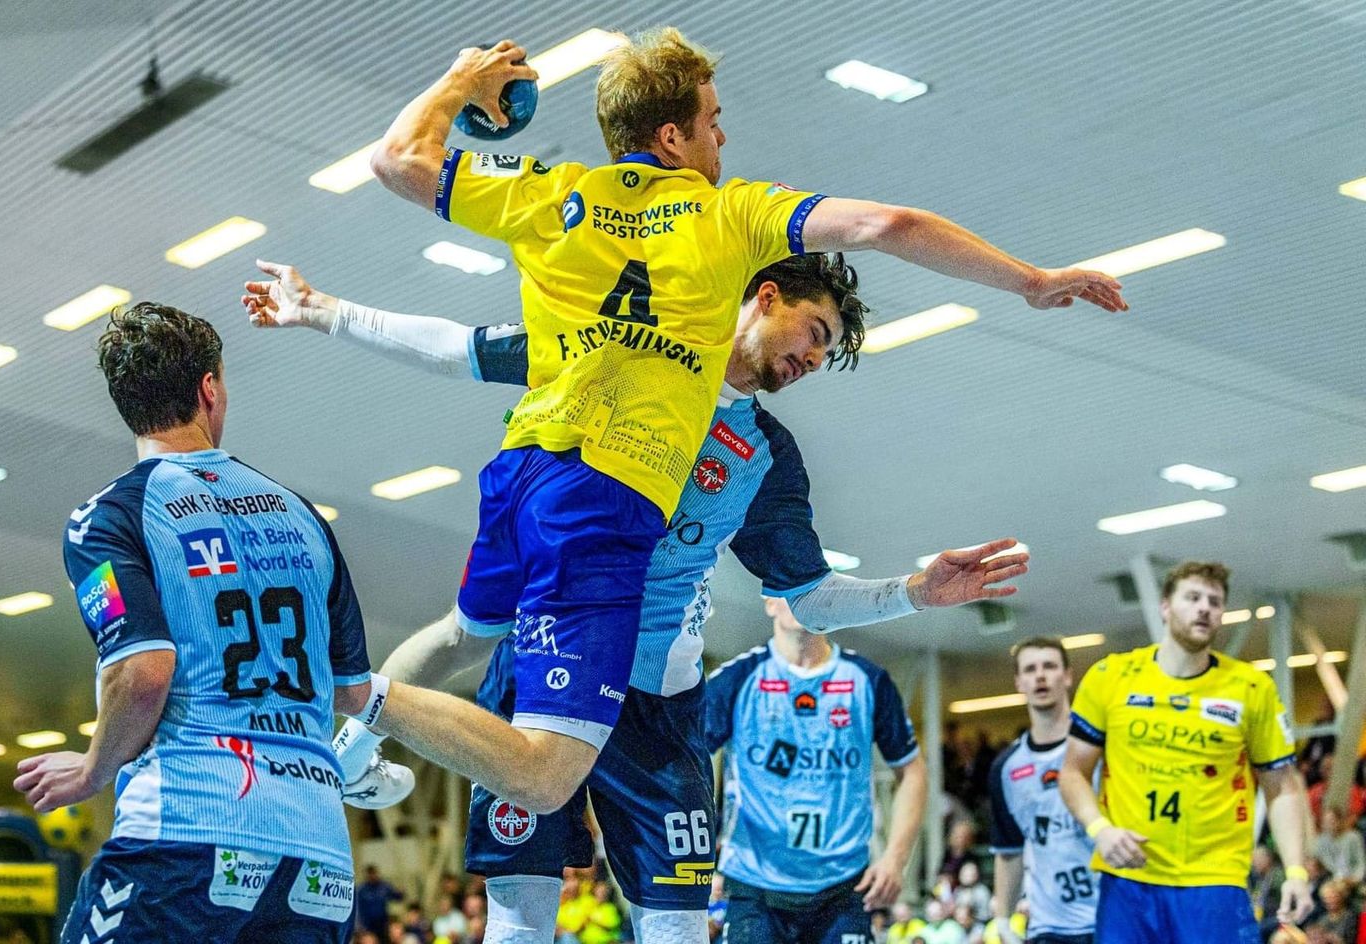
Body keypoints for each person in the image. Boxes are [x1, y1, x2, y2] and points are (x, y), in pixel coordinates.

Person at [348, 21, 1125, 864]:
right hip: (603, 497)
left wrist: (462, 78)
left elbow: (397, 159)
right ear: (672, 136)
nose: (723, 138)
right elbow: (889, 222)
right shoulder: (730, 214)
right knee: (543, 779)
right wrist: (1030, 281)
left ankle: (348, 749)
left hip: (522, 469)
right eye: (713, 122)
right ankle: (340, 694)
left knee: (466, 634)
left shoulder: (551, 191)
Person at [245, 250, 1027, 943]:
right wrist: (324, 310)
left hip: (657, 703)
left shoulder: (766, 457)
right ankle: (347, 751)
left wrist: (915, 592)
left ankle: (353, 732)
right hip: (549, 658)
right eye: (815, 332)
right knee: (518, 916)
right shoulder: (625, 349)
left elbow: (811, 597)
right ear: (765, 297)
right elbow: (467, 349)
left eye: (828, 352)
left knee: (678, 927)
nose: (815, 358)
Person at [12, 303, 396, 943]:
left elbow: (143, 673)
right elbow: (352, 690)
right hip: (320, 860)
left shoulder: (108, 517)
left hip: (187, 835)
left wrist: (91, 771)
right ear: (209, 389)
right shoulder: (302, 516)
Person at [1058, 560, 1314, 942]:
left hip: (1214, 882)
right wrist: (1100, 830)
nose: (1204, 608)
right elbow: (1072, 772)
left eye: (1214, 601)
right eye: (1193, 598)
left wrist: (1295, 871)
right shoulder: (1111, 677)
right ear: (1165, 606)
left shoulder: (1251, 688)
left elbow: (1283, 786)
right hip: (1130, 880)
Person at [704, 597, 928, 944]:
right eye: (788, 589)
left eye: (811, 589)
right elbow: (684, 763)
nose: (800, 598)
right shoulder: (737, 679)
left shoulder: (867, 680)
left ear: (829, 601)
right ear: (769, 602)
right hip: (755, 886)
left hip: (844, 885)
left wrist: (895, 860)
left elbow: (912, 771)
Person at [987, 637, 1096, 944]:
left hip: (1112, 916)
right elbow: (1009, 851)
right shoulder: (1006, 768)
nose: (1040, 676)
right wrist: (1003, 921)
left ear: (1067, 676)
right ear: (1019, 683)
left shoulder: (1100, 746)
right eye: (1030, 669)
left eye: (1049, 666)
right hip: (1049, 927)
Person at [1311, 807, 1366, 884]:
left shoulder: (1353, 838)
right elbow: (1313, 858)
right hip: (1331, 880)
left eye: (1332, 821)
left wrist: (1355, 880)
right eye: (1326, 821)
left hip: (1352, 880)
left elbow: (1361, 864)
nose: (1329, 825)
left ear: (1340, 821)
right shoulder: (1321, 841)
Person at [358, 867, 405, 942]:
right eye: (370, 874)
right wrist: (361, 925)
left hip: (383, 923)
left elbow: (397, 897)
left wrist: (401, 893)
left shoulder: (384, 887)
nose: (372, 876)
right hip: (368, 925)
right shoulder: (362, 890)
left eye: (374, 874)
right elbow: (358, 908)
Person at [1308, 878, 1360, 944]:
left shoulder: (1350, 917)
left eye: (1334, 897)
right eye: (1326, 898)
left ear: (1342, 897)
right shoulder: (1323, 919)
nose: (1329, 901)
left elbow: (1350, 941)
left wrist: (1329, 937)